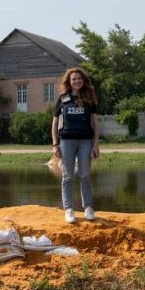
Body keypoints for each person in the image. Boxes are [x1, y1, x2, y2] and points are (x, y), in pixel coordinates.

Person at [51, 67, 101, 224]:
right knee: (67, 176)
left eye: (79, 78)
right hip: (66, 141)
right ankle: (69, 210)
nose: (76, 81)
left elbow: (95, 122)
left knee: (85, 175)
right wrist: (55, 144)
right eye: (73, 79)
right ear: (69, 81)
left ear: (83, 80)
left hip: (86, 141)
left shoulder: (89, 99)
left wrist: (96, 143)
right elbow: (54, 123)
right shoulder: (63, 99)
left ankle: (88, 208)